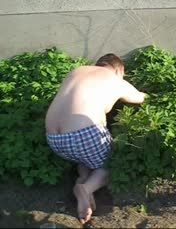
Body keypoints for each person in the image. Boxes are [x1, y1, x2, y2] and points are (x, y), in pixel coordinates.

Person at [45, 53, 147, 224]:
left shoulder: (78, 71)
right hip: (84, 135)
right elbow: (140, 98)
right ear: (119, 70)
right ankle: (86, 188)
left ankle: (83, 178)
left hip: (54, 139)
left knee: (84, 157)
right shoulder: (115, 79)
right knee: (110, 164)